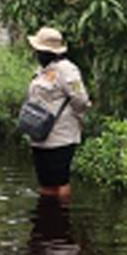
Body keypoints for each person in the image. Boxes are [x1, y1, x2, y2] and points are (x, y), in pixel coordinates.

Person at [26, 27, 91, 200]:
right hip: (39, 136)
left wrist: (75, 117)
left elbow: (81, 99)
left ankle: (60, 221)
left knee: (59, 180)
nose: (36, 53)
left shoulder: (67, 70)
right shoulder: (42, 71)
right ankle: (45, 222)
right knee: (45, 182)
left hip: (61, 136)